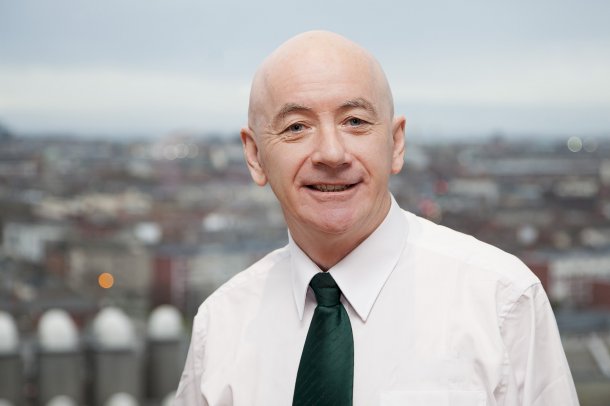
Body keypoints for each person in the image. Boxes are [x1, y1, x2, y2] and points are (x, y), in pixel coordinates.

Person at [175, 31, 579, 406]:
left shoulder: (502, 302)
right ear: (254, 156)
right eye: (296, 127)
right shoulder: (220, 325)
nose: (331, 154)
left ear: (396, 143)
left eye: (355, 121)